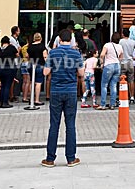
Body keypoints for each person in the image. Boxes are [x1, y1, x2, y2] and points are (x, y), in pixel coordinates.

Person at [42, 29, 84, 168]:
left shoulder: (53, 53)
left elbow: (45, 72)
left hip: (55, 91)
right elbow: (81, 73)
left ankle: (50, 159)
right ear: (71, 39)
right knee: (70, 125)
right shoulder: (76, 53)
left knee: (54, 124)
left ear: (59, 39)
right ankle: (71, 158)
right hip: (71, 91)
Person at [97, 32, 123, 110]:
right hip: (117, 66)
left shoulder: (107, 45)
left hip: (108, 65)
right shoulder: (120, 46)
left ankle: (103, 104)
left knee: (104, 85)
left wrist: (102, 62)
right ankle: (112, 104)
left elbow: (102, 55)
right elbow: (121, 57)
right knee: (114, 85)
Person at [0, 36, 19, 108]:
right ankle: (5, 102)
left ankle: (1, 102)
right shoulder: (11, 48)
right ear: (8, 41)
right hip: (9, 68)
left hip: (0, 69)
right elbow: (17, 55)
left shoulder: (0, 49)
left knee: (3, 85)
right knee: (7, 85)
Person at [27, 32, 48, 106]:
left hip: (31, 65)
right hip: (40, 65)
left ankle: (31, 98)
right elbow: (45, 56)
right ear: (41, 38)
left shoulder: (30, 47)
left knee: (31, 82)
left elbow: (27, 56)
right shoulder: (42, 46)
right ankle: (37, 100)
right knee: (38, 83)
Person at [119, 28, 135, 104]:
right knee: (131, 80)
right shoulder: (132, 42)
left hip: (123, 62)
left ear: (123, 34)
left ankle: (122, 95)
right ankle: (132, 97)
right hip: (130, 62)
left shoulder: (121, 41)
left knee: (122, 79)